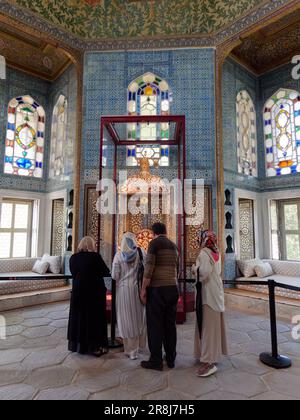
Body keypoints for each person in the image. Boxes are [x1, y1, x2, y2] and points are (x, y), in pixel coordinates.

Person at [140, 223, 179, 371]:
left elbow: (149, 268)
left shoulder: (154, 244)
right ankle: (170, 358)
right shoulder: (174, 246)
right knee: (170, 325)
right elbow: (178, 269)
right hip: (172, 288)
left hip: (157, 290)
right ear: (165, 231)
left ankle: (156, 361)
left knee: (155, 326)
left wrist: (143, 289)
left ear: (153, 232)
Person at [192, 230, 228, 377]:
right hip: (216, 292)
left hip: (208, 295)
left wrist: (194, 269)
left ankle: (209, 362)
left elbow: (204, 272)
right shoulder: (216, 252)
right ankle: (209, 354)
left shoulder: (204, 253)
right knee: (212, 327)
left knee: (207, 327)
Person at [68, 236, 110, 357]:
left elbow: (73, 272)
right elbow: (105, 271)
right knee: (94, 320)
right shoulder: (95, 257)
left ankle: (80, 346)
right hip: (94, 293)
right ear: (91, 245)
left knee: (80, 319)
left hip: (78, 292)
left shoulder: (73, 258)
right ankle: (95, 347)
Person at [112, 232, 147, 360]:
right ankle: (138, 346)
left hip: (123, 291)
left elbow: (114, 275)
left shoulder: (118, 256)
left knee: (126, 320)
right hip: (137, 290)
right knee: (138, 318)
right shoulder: (141, 253)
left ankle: (131, 350)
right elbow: (147, 269)